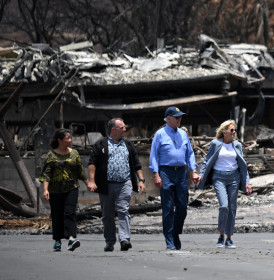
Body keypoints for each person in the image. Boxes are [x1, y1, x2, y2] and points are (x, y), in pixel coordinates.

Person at [87, 118, 146, 252]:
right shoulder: (101, 144)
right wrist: (92, 180)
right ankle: (109, 241)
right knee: (107, 214)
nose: (125, 129)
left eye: (125, 127)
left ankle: (124, 239)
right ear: (113, 129)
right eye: (122, 127)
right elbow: (92, 163)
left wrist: (141, 180)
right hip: (106, 185)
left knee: (123, 210)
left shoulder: (128, 144)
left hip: (125, 183)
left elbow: (137, 164)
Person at [149, 107, 200, 250]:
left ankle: (176, 232)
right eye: (177, 117)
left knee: (182, 206)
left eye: (180, 117)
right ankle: (170, 239)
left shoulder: (183, 134)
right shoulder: (160, 134)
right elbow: (154, 155)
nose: (179, 119)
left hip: (181, 172)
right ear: (168, 118)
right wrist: (156, 174)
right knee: (168, 207)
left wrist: (193, 171)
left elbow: (190, 153)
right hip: (166, 171)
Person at [198, 120, 252, 249]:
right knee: (224, 206)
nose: (234, 132)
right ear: (224, 132)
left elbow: (243, 165)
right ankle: (221, 235)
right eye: (231, 130)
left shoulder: (237, 145)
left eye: (234, 130)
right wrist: (201, 174)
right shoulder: (216, 144)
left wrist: (247, 182)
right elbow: (206, 160)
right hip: (219, 178)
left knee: (232, 208)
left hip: (234, 178)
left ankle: (229, 238)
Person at [40, 128, 89, 252]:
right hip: (55, 190)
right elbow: (46, 174)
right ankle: (57, 240)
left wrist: (88, 183)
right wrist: (45, 190)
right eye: (67, 138)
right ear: (60, 140)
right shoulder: (51, 155)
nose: (70, 140)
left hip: (71, 188)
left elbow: (80, 171)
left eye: (70, 138)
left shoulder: (74, 153)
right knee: (57, 215)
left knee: (70, 212)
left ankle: (72, 239)